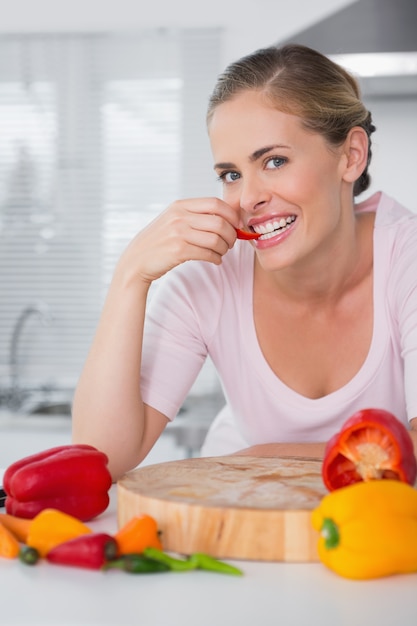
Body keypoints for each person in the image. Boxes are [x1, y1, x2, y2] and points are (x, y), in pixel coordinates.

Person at [72, 44, 417, 481]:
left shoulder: (407, 259)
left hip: (322, 509)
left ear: (351, 155)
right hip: (242, 513)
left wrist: (265, 453)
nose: (248, 198)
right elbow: (98, 458)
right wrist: (130, 275)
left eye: (274, 161)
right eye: (231, 174)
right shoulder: (209, 275)